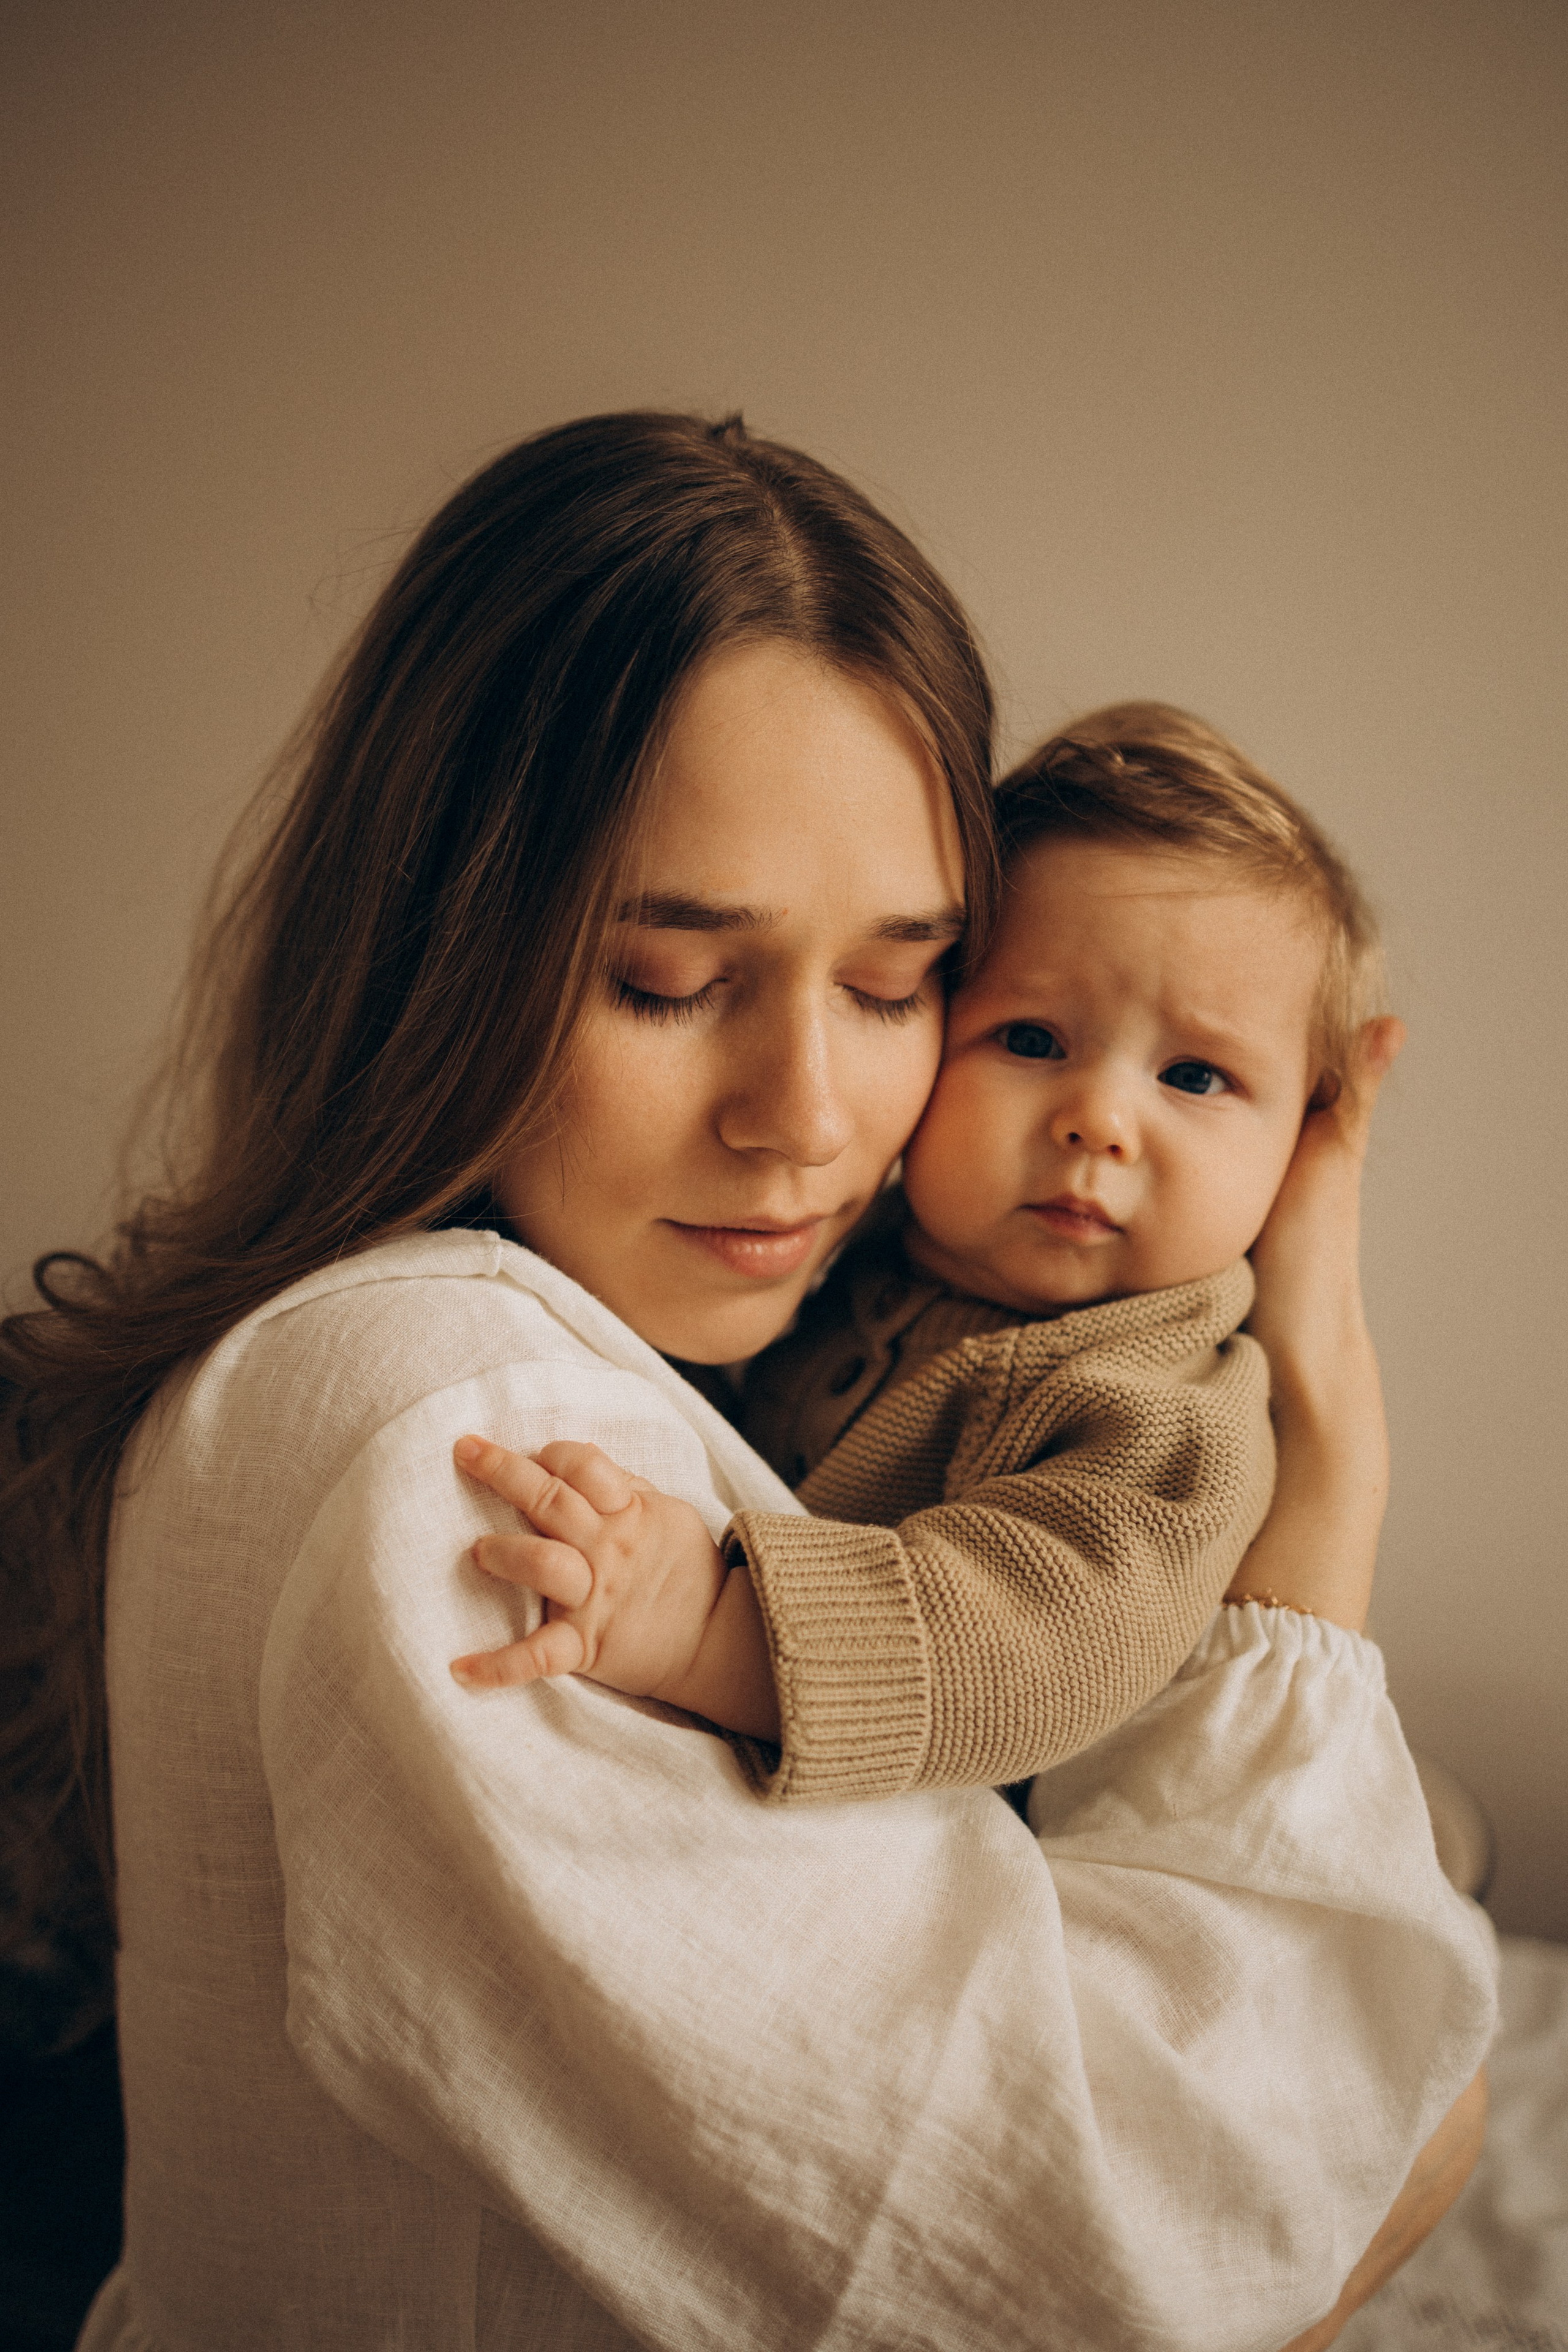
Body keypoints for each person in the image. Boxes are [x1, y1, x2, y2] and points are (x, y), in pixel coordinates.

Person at [0, 412, 1493, 2352]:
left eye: (895, 989)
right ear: (445, 949)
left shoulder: (631, 1334)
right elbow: (1136, 2251)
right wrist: (1426, 2117)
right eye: (667, 980)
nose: (809, 1120)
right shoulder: (458, 1443)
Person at [444, 702, 1387, 1809]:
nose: (1100, 1122)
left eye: (1194, 1077)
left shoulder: (1172, 1409)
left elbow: (1045, 1642)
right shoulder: (851, 1253)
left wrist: (707, 1625)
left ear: (1306, 1134)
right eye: (1031, 1041)